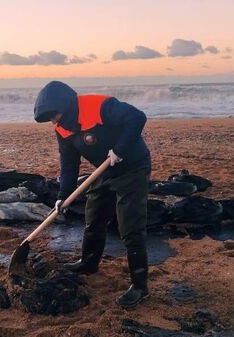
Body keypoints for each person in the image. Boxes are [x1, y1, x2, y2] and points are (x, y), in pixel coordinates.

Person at [34, 81, 152, 308]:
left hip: (132, 166)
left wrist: (120, 149)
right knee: (94, 216)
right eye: (50, 118)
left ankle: (139, 286)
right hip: (104, 169)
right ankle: (89, 263)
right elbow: (68, 164)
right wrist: (63, 195)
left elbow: (137, 117)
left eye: (54, 115)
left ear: (66, 106)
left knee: (130, 226)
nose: (54, 121)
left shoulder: (100, 106)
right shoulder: (63, 128)